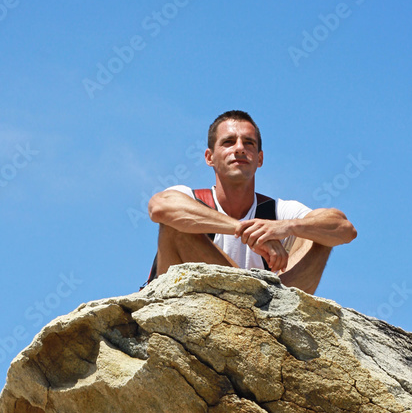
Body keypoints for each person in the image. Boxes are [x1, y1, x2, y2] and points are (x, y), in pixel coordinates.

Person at [145, 110, 357, 295]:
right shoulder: (194, 199)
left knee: (319, 233)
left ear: (259, 159)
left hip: (264, 312)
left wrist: (284, 227)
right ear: (209, 157)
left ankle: (281, 311)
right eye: (228, 142)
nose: (239, 148)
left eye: (249, 143)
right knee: (176, 225)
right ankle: (250, 302)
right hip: (185, 304)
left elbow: (345, 229)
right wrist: (244, 230)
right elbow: (160, 207)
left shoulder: (277, 212)